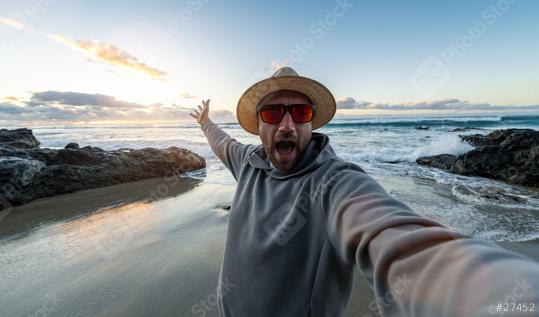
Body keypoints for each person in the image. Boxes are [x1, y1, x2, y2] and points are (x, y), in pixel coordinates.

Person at [190, 67, 538, 317]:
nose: (287, 125)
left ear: (311, 123)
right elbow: (223, 142)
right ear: (260, 124)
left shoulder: (334, 182)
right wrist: (204, 121)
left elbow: (389, 233)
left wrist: (495, 294)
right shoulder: (248, 162)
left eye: (300, 112)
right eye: (273, 112)